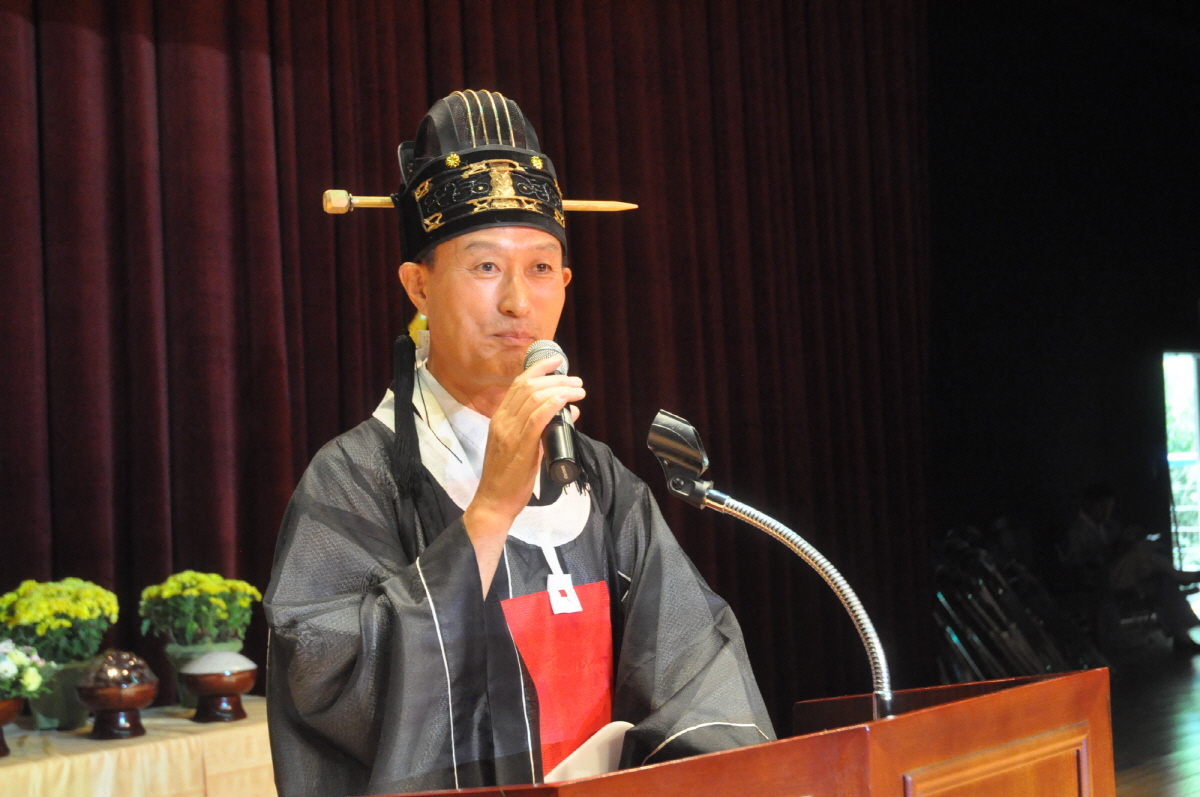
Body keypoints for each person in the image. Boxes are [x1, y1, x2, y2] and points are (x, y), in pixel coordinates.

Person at [264, 91, 774, 797]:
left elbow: (694, 667)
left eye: (539, 269)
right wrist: (488, 513)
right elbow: (328, 681)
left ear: (564, 284)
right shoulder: (356, 478)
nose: (518, 303)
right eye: (485, 268)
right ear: (418, 285)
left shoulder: (601, 481)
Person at [1062, 483, 1200, 655]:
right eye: (1103, 506)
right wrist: (1119, 548)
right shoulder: (1076, 531)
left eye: (1109, 507)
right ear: (1089, 504)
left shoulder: (1110, 526)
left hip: (1124, 575)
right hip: (1099, 579)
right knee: (1139, 553)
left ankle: (1182, 639)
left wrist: (1130, 540)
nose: (1106, 511)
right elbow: (1081, 562)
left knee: (1161, 581)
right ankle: (1182, 576)